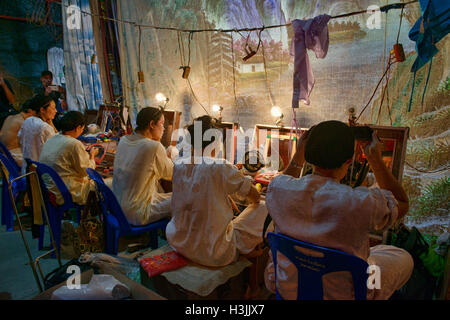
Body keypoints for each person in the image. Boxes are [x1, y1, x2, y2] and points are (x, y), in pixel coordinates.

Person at [264, 120, 413, 300]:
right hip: (348, 293)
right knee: (402, 257)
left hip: (288, 286)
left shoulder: (278, 189)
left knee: (375, 254)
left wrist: (298, 156)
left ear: (306, 151)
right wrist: (375, 158)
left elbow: (282, 182)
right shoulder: (360, 202)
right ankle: (372, 289)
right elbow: (401, 203)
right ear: (349, 161)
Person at [166, 115, 268, 267]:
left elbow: (201, 193)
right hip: (212, 252)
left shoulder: (179, 164)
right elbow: (254, 197)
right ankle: (243, 250)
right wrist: (253, 191)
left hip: (178, 241)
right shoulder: (219, 166)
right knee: (264, 206)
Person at [112, 107, 173, 226]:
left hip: (118, 207)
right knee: (186, 199)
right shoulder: (153, 146)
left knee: (161, 189)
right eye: (161, 124)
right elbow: (171, 174)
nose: (164, 128)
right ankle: (177, 238)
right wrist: (168, 156)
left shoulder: (124, 140)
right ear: (151, 124)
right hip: (137, 212)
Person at [39, 111, 99, 206]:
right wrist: (92, 156)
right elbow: (86, 171)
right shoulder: (74, 144)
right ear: (78, 127)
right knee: (102, 186)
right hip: (63, 190)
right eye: (82, 129)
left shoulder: (52, 138)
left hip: (48, 187)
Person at [18, 95, 57, 174]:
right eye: (53, 108)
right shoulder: (45, 128)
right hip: (42, 175)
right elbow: (57, 150)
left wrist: (50, 121)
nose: (55, 111)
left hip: (26, 171)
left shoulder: (27, 121)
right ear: (42, 110)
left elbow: (20, 140)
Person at [0, 100, 36, 167]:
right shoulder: (23, 122)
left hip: (3, 154)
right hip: (10, 156)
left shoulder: (10, 117)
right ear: (30, 111)